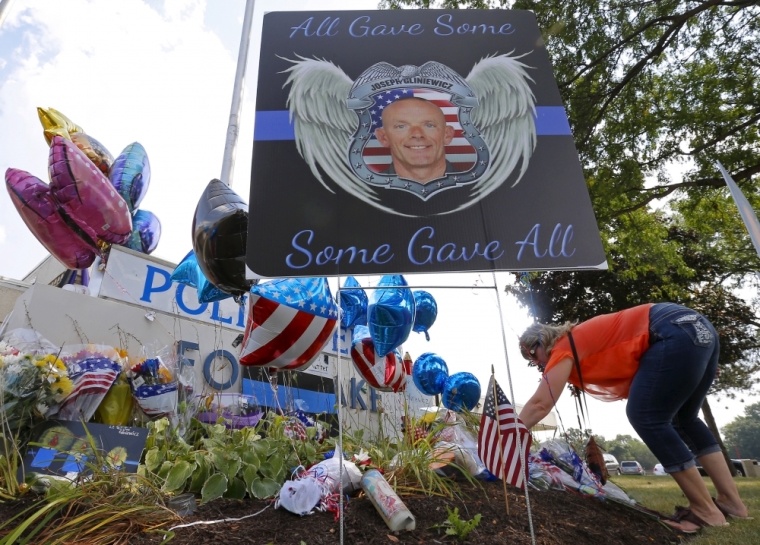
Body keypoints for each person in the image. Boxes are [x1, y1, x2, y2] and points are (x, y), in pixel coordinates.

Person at [518, 303, 749, 533]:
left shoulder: (563, 346)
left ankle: (706, 512)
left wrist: (507, 432)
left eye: (533, 356)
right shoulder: (580, 338)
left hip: (669, 331)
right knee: (685, 419)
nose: (538, 364)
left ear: (541, 341)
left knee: (646, 416)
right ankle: (731, 502)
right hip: (697, 327)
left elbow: (541, 404)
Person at [374, 97, 455, 184]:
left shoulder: (471, 185)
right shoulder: (364, 192)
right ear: (383, 138)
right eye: (401, 126)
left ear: (447, 135)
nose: (417, 134)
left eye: (429, 125)